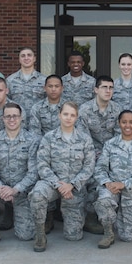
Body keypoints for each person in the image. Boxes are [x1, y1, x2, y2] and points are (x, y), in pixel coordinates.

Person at [28, 102, 96, 252]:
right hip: (52, 184)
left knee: (73, 236)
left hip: (74, 188)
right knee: (37, 194)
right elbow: (42, 165)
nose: (68, 118)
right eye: (65, 114)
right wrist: (58, 184)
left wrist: (71, 184)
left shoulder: (84, 139)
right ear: (59, 115)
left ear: (77, 117)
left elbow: (89, 166)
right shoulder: (49, 138)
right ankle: (40, 234)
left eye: (72, 115)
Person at [0, 103, 40, 241]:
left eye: (15, 116)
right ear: (2, 119)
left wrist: (15, 189)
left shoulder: (32, 141)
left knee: (26, 235)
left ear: (21, 118)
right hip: (0, 188)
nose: (12, 120)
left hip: (22, 190)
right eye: (8, 116)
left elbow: (34, 172)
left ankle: (14, 211)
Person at [94, 110, 132, 248]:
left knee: (129, 236)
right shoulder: (110, 144)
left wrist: (124, 184)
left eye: (131, 122)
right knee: (103, 200)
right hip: (112, 187)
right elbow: (100, 168)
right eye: (124, 122)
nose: (127, 125)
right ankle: (108, 232)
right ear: (119, 123)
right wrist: (108, 183)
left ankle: (120, 220)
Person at [77, 75, 124, 234]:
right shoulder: (84, 110)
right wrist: (96, 155)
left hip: (112, 153)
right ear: (96, 89)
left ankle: (111, 212)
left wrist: (108, 155)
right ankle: (90, 215)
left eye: (111, 88)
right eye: (104, 87)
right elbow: (83, 138)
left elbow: (119, 136)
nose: (108, 90)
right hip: (90, 153)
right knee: (91, 177)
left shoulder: (117, 109)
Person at [6, 47, 47, 119]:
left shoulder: (44, 80)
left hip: (38, 121)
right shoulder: (10, 80)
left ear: (34, 58)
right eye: (23, 56)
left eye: (29, 55)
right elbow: (7, 101)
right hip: (17, 122)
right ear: (19, 59)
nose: (26, 58)